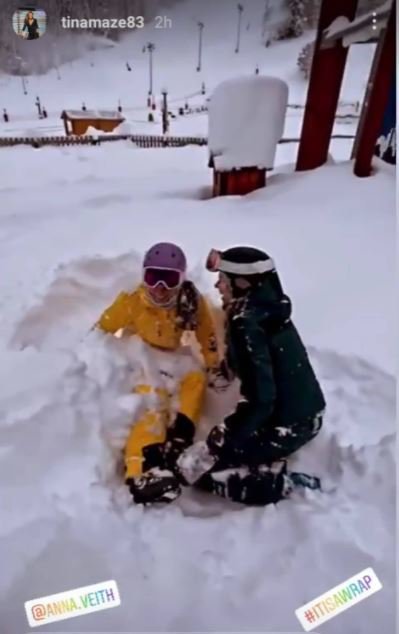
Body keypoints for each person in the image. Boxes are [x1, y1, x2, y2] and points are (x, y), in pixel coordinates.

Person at [176, 246, 326, 506]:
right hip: (306, 414)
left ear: (241, 283)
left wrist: (220, 440)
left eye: (223, 280)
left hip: (288, 427)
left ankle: (279, 484)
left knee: (200, 472)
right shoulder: (268, 309)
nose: (218, 286)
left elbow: (261, 399)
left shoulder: (247, 324)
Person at [96, 243, 224, 504]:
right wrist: (96, 354)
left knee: (195, 381)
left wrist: (213, 364)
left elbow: (206, 333)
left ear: (181, 279)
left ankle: (179, 438)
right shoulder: (133, 301)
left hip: (176, 356)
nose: (160, 288)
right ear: (144, 277)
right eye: (153, 278)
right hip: (145, 356)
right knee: (153, 404)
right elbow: (104, 327)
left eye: (169, 279)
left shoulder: (189, 301)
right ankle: (141, 472)